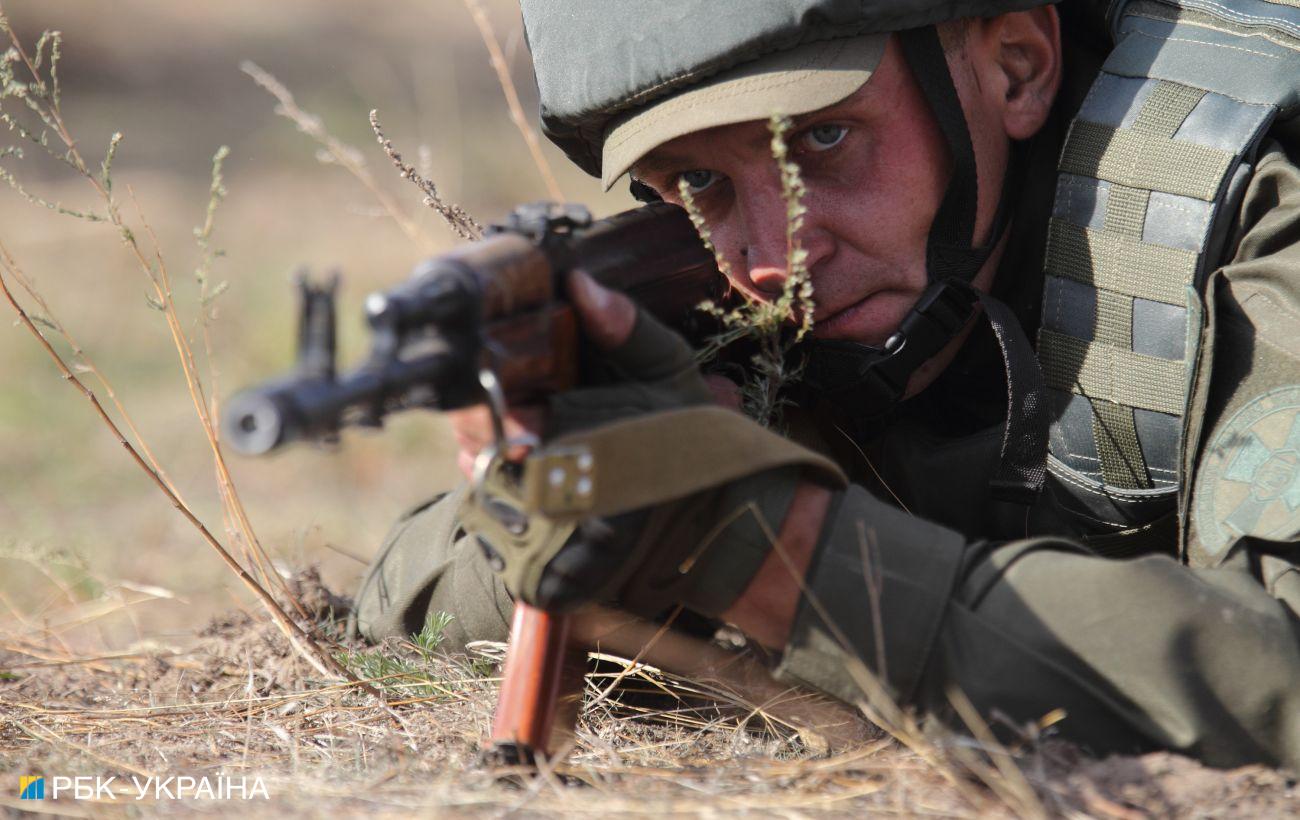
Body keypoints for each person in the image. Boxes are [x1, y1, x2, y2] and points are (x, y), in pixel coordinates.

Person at [354, 1, 1300, 769]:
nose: (773, 260)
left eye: (822, 138)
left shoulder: (1253, 213)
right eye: (698, 183)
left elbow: (1281, 682)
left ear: (1016, 65)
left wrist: (782, 558)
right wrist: (586, 505)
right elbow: (398, 610)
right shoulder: (722, 307)